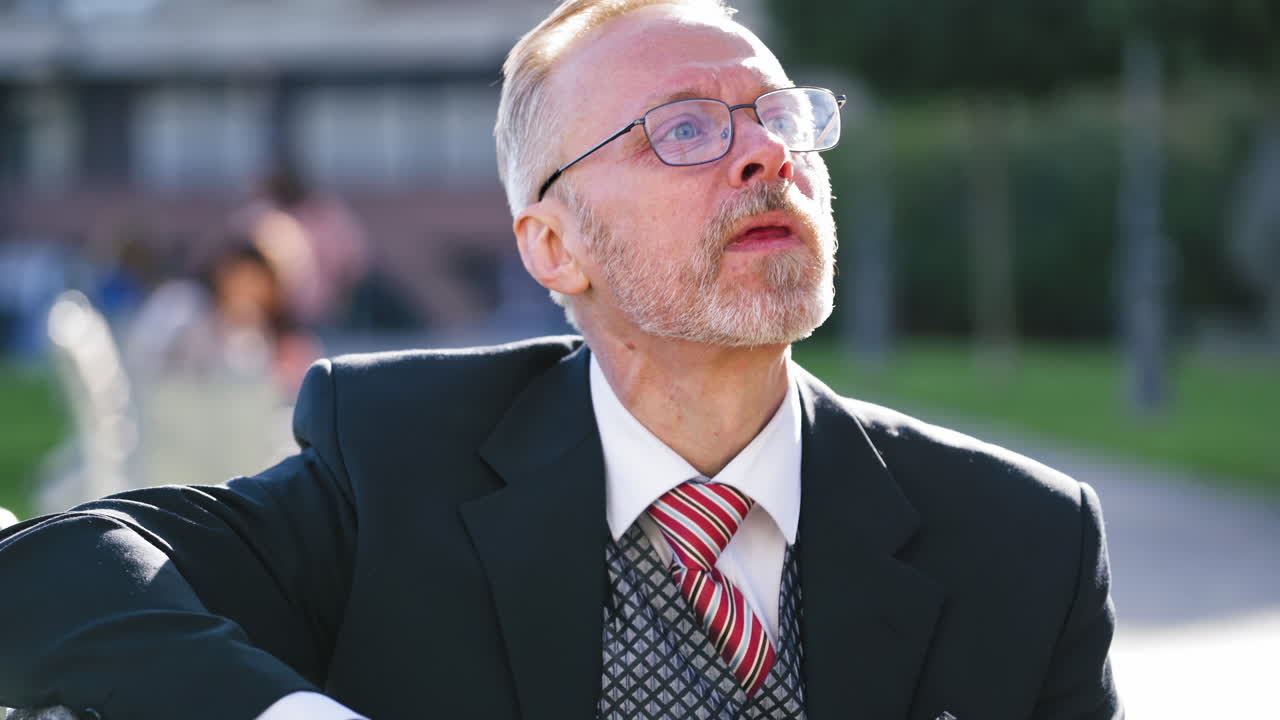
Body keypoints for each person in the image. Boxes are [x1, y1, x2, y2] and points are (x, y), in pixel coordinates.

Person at [0, 1, 1123, 719]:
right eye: (685, 129)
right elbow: (48, 572)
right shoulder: (401, 465)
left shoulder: (1025, 544)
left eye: (778, 117)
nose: (764, 155)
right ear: (553, 244)